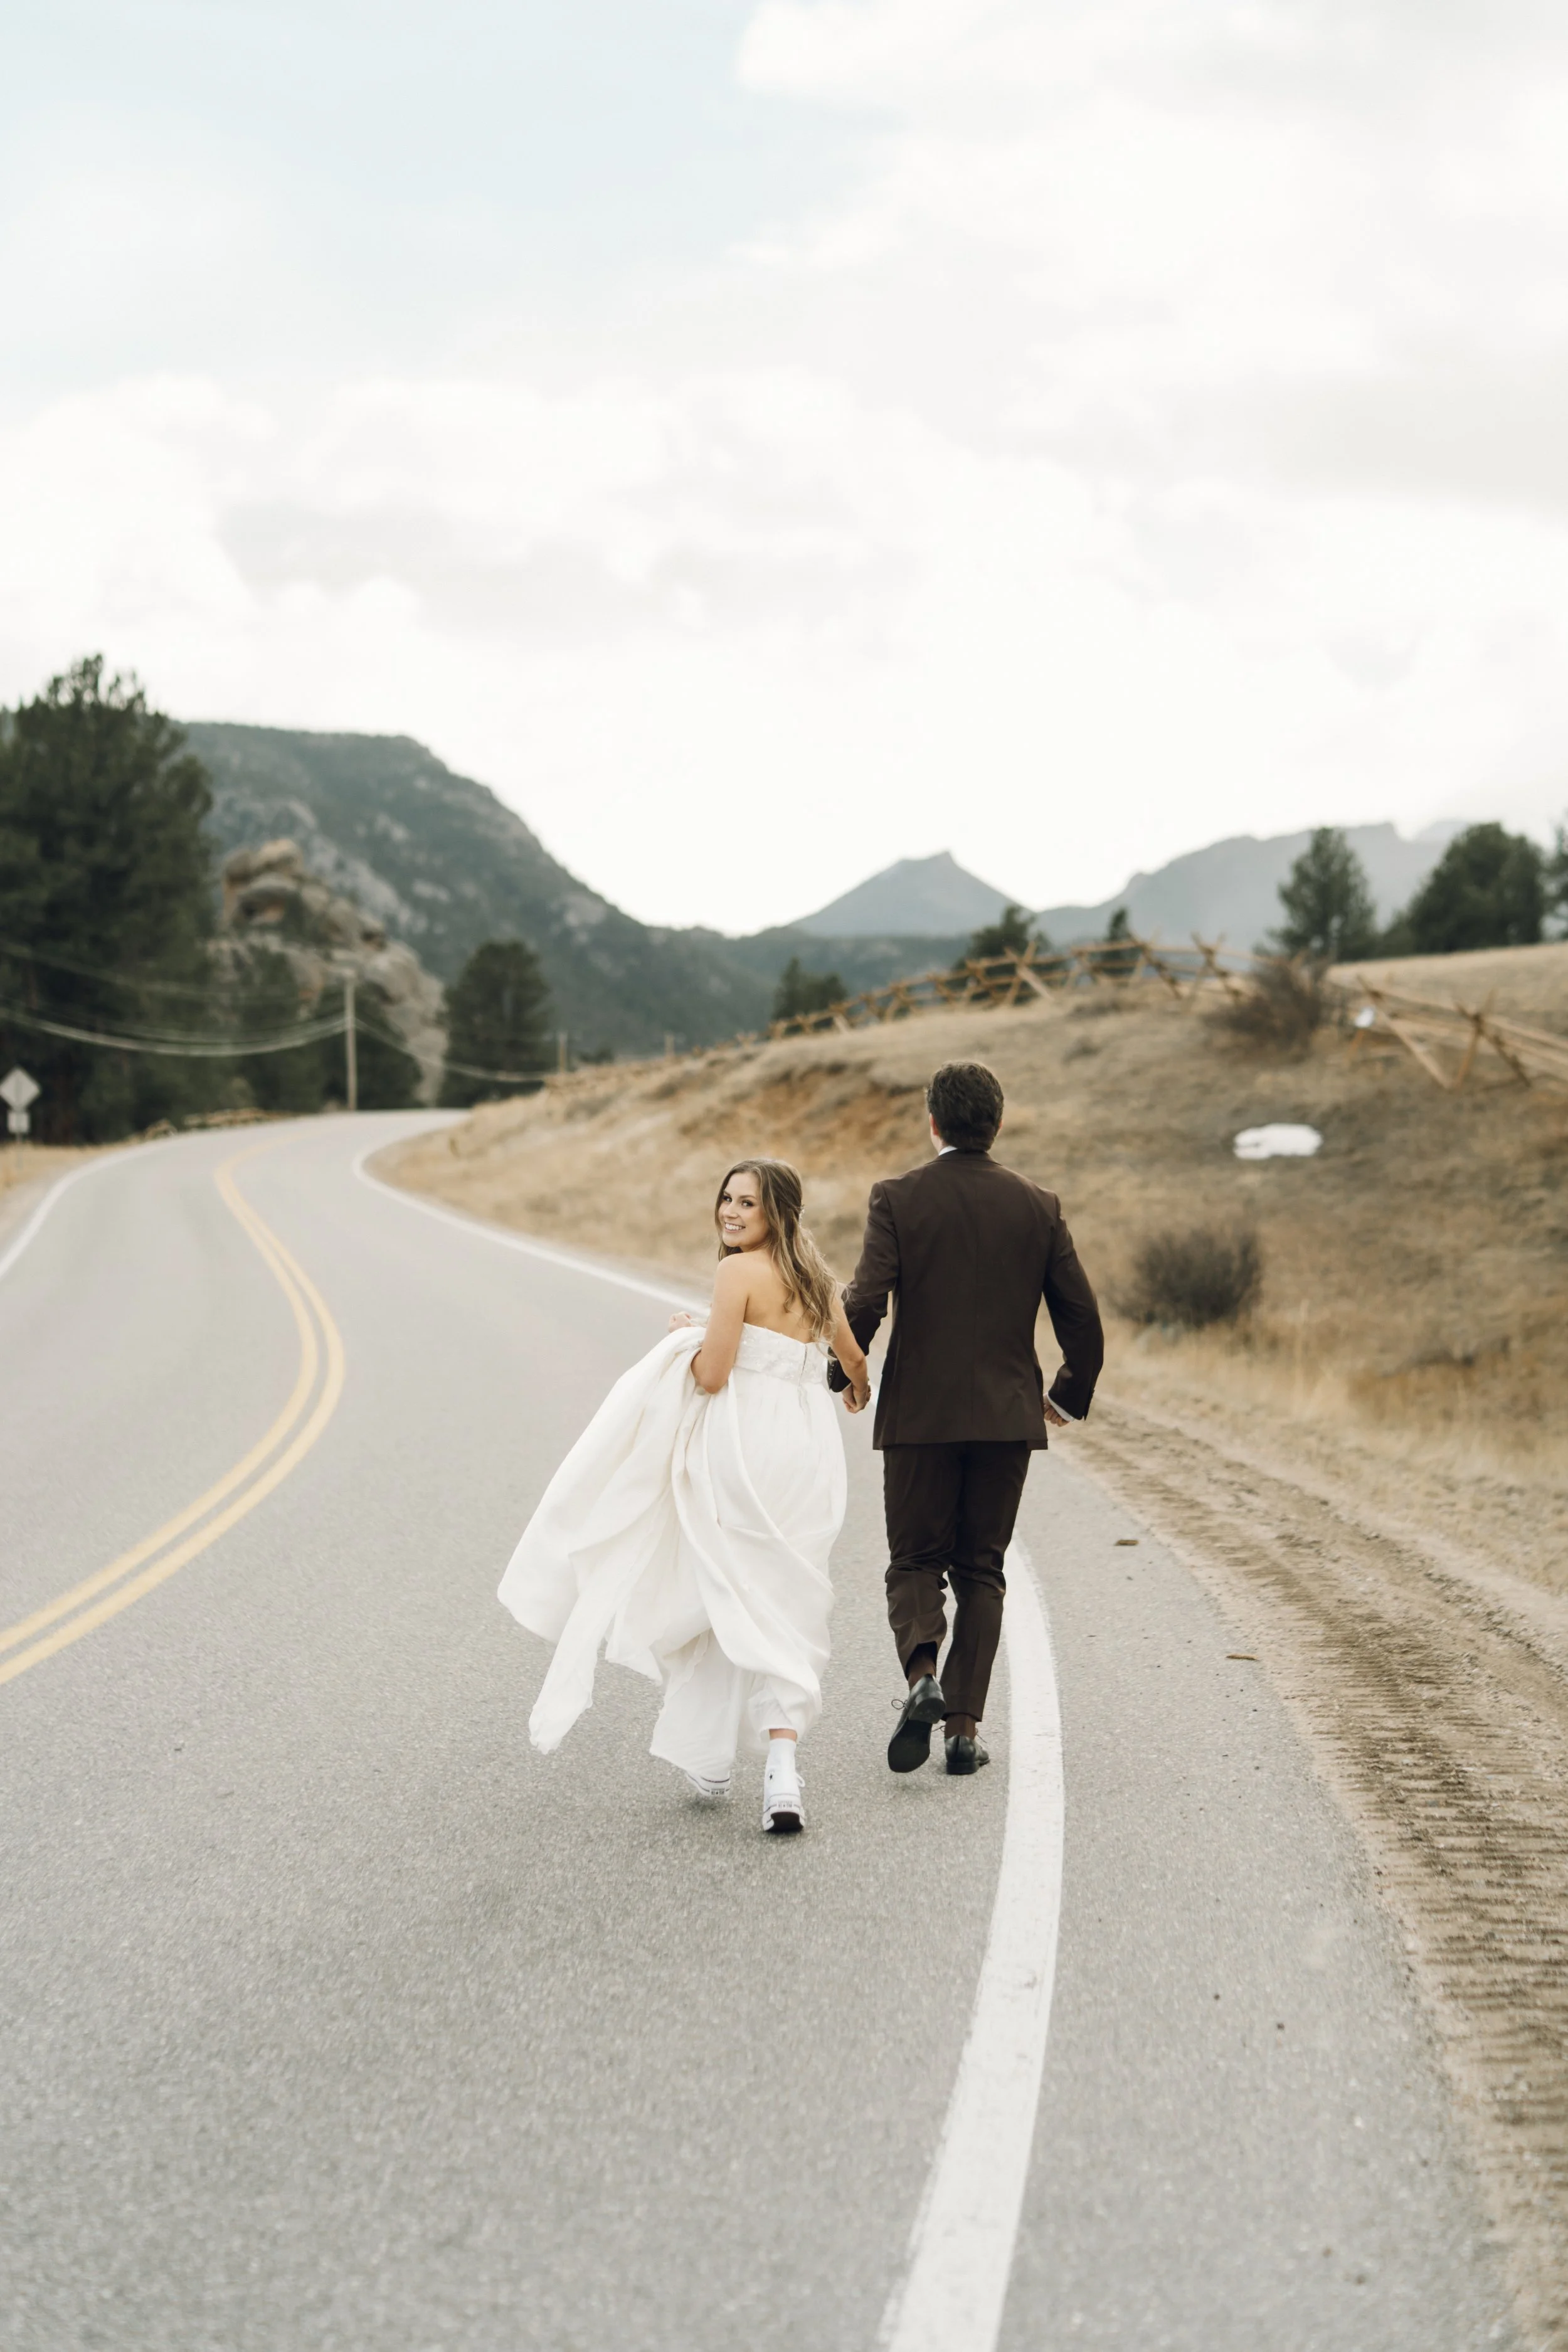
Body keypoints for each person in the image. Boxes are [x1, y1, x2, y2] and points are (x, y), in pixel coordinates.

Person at [499, 1159, 871, 1833]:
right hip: (807, 1456)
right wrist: (850, 1389)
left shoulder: (736, 1273)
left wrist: (687, 1338)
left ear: (774, 1213)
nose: (730, 1212)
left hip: (741, 1450)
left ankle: (713, 1756)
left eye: (747, 1204)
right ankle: (779, 1769)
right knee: (785, 1600)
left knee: (719, 1589)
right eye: (726, 1198)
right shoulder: (816, 1279)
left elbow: (714, 1374)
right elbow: (854, 1362)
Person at [829, 1060, 1103, 1776]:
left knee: (915, 1560)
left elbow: (865, 1298)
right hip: (1007, 1417)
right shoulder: (1038, 1205)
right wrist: (1067, 1394)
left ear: (932, 1122)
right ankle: (961, 1731)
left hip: (919, 1413)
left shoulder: (898, 1197)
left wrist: (844, 1371)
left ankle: (921, 1674)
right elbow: (1082, 1319)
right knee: (982, 1569)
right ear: (998, 1123)